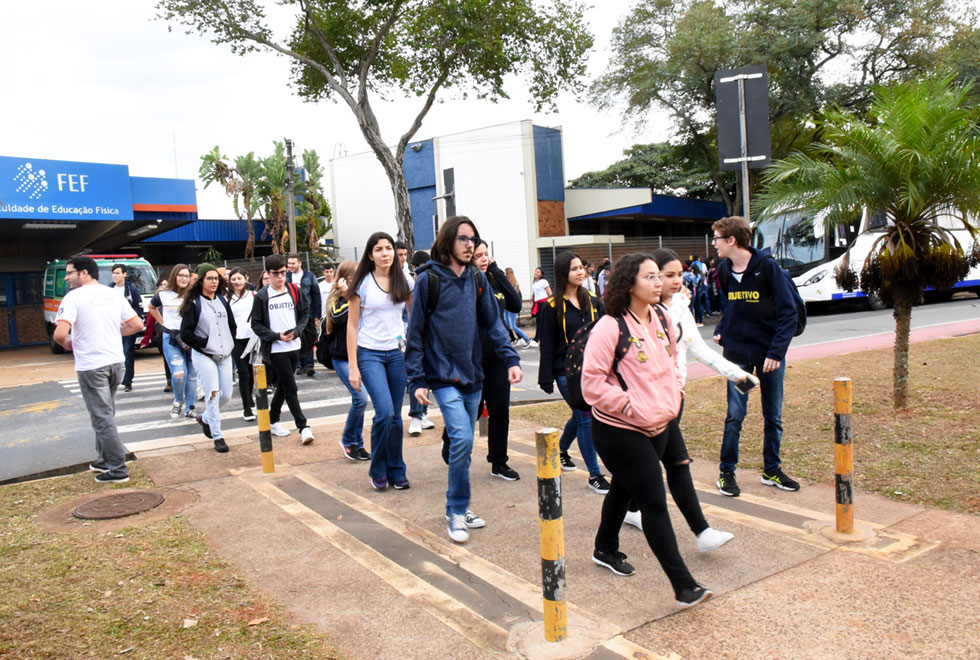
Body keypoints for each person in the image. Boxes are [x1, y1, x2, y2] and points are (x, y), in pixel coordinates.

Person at [581, 253, 713, 608]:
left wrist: (674, 393)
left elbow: (670, 361)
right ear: (629, 283)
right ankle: (684, 586)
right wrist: (628, 404)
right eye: (651, 277)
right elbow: (590, 384)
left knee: (624, 489)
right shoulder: (610, 326)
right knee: (654, 502)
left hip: (660, 421)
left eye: (660, 276)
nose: (659, 283)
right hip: (620, 429)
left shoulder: (662, 318)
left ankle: (605, 547)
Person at [619, 247, 756, 540]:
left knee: (655, 466)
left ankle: (617, 528)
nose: (675, 281)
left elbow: (698, 348)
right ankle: (700, 531)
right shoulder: (637, 314)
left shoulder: (680, 308)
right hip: (647, 402)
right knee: (670, 466)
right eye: (667, 275)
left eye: (679, 274)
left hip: (673, 396)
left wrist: (737, 374)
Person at [406, 216, 522, 543]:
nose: (470, 245)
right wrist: (417, 381)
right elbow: (415, 335)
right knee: (463, 438)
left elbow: (494, 323)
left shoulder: (476, 278)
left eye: (473, 239)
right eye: (463, 239)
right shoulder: (428, 280)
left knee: (463, 445)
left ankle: (459, 501)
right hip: (442, 376)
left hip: (474, 375)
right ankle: (457, 509)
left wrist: (510, 357)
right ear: (448, 242)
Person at [712, 215, 801, 497]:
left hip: (768, 356)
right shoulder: (724, 270)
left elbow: (789, 313)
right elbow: (730, 306)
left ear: (731, 240)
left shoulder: (768, 268)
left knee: (772, 415)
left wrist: (776, 352)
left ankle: (771, 470)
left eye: (716, 238)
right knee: (735, 415)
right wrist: (722, 328)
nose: (713, 244)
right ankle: (727, 472)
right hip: (738, 355)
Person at [53, 256, 144, 483]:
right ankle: (103, 459)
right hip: (115, 362)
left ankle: (118, 468)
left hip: (92, 365)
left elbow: (59, 334)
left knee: (102, 416)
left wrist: (69, 344)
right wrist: (113, 334)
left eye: (69, 273)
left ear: (84, 273)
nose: (66, 278)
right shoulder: (114, 294)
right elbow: (137, 325)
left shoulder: (73, 297)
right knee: (105, 412)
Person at [538, 251, 611, 494]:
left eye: (582, 267)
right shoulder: (551, 307)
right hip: (565, 372)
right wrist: (545, 376)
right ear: (562, 273)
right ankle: (594, 475)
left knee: (580, 415)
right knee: (586, 417)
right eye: (574, 269)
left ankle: (561, 449)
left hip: (594, 370)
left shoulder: (593, 300)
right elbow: (546, 344)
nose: (581, 272)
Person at [346, 232, 414, 491]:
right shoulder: (362, 283)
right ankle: (378, 468)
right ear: (370, 255)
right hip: (369, 353)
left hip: (397, 353)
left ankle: (397, 470)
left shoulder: (405, 279)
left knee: (396, 416)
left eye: (388, 248)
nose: (385, 253)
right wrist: (353, 367)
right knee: (384, 412)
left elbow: (414, 315)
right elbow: (352, 327)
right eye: (379, 249)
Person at [470, 240, 523, 480]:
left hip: (499, 356)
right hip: (473, 357)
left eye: (486, 254)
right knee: (471, 410)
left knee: (500, 410)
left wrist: (496, 270)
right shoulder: (466, 283)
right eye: (478, 255)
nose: (483, 258)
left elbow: (515, 303)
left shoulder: (493, 278)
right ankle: (449, 439)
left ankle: (499, 462)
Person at [251, 254, 316, 445]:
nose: (280, 277)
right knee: (291, 386)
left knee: (284, 386)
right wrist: (275, 336)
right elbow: (256, 324)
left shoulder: (294, 290)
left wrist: (296, 332)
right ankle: (303, 426)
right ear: (268, 274)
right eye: (275, 273)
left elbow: (305, 313)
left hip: (295, 346)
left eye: (283, 273)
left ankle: (272, 420)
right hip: (276, 348)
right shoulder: (262, 296)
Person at [180, 264, 237, 453]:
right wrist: (204, 342)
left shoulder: (222, 300)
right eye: (209, 278)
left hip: (224, 354)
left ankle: (205, 417)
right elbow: (185, 333)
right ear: (201, 281)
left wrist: (230, 343)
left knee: (226, 394)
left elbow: (231, 325)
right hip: (204, 354)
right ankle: (217, 435)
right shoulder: (194, 304)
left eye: (216, 278)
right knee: (213, 394)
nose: (213, 282)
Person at [325, 260, 370, 461]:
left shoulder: (362, 295)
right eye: (353, 277)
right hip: (341, 357)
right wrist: (346, 293)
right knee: (360, 399)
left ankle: (357, 443)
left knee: (359, 401)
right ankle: (348, 440)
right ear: (344, 278)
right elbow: (338, 317)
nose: (356, 280)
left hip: (361, 355)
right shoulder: (338, 299)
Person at [148, 264, 198, 420]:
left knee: (192, 375)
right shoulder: (163, 294)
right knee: (178, 373)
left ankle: (190, 408)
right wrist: (163, 324)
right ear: (174, 276)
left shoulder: (194, 295)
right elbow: (151, 307)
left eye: (187, 276)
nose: (184, 278)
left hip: (191, 338)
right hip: (171, 338)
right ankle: (178, 401)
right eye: (181, 275)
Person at [407, 250, 436, 436]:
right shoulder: (413, 282)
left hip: (431, 338)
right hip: (416, 337)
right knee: (416, 379)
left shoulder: (430, 280)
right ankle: (416, 416)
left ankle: (422, 413)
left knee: (428, 378)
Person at [227, 268, 257, 421]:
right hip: (236, 340)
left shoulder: (254, 295)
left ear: (246, 278)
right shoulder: (227, 298)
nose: (237, 282)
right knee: (243, 373)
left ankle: (250, 398)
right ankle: (247, 408)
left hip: (253, 340)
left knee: (251, 372)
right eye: (234, 279)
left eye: (239, 278)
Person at [110, 263, 144, 393]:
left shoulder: (131, 289)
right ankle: (114, 379)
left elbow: (138, 307)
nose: (115, 275)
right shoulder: (109, 289)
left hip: (128, 327)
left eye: (118, 273)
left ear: (124, 274)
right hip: (114, 328)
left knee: (127, 352)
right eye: (113, 273)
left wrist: (129, 320)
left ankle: (127, 380)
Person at [286, 252, 321, 378]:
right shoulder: (286, 277)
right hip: (292, 313)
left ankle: (309, 365)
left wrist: (317, 315)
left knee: (309, 338)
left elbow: (316, 295)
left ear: (299, 263)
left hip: (308, 312)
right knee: (296, 337)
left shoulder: (309, 276)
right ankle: (299, 364)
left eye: (293, 263)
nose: (290, 265)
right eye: (289, 263)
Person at [503, 267, 534, 348]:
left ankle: (527, 339)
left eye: (506, 273)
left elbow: (514, 297)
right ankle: (513, 340)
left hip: (511, 307)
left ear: (508, 273)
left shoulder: (514, 284)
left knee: (513, 326)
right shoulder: (507, 283)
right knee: (506, 324)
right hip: (506, 307)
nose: (504, 274)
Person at [530, 267, 551, 341]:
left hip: (543, 302)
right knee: (538, 320)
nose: (536, 273)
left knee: (540, 320)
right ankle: (539, 336)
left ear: (541, 274)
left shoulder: (544, 281)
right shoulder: (535, 282)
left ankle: (537, 337)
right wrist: (533, 296)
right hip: (537, 302)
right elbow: (536, 291)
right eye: (535, 271)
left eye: (538, 272)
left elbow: (549, 292)